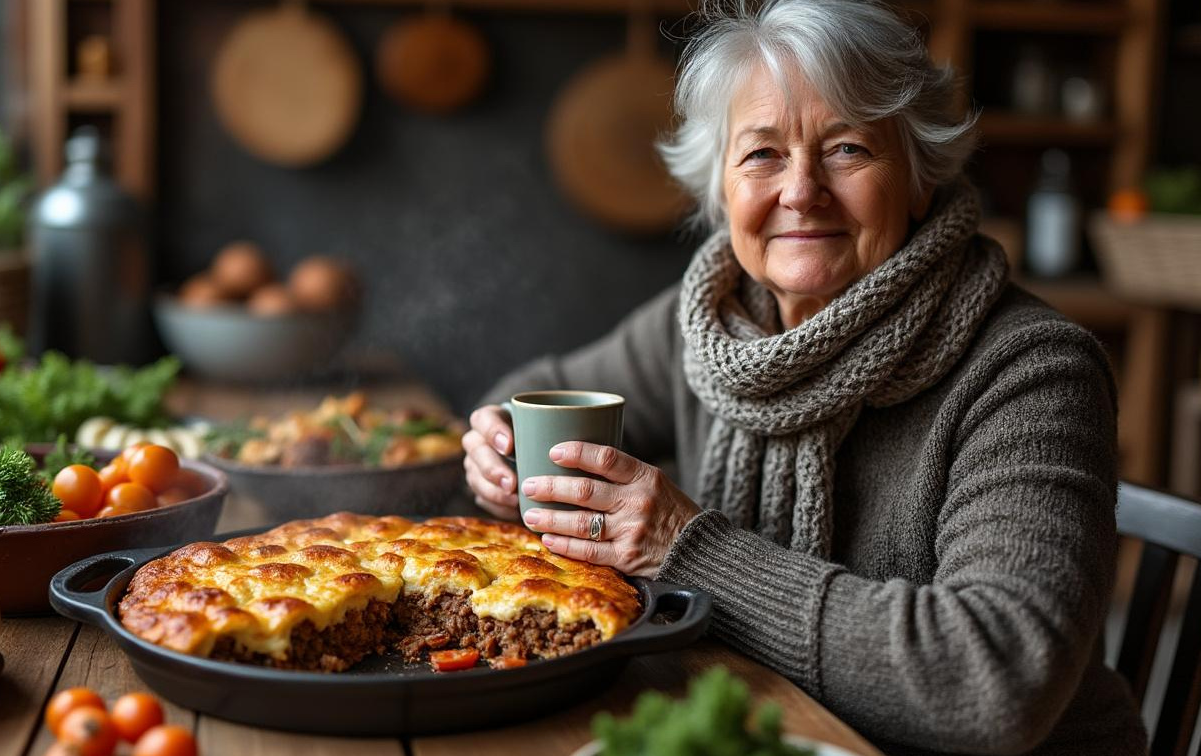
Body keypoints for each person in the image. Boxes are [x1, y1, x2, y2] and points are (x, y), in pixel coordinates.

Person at [462, 1, 1147, 753]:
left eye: (847, 149)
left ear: (920, 176)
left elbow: (996, 681)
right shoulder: (711, 322)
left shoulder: (1032, 372)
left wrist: (685, 548)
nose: (800, 191)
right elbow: (545, 382)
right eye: (761, 155)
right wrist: (497, 441)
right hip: (764, 727)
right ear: (720, 188)